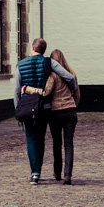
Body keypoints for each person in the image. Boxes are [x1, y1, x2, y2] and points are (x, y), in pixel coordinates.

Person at [14, 37, 77, 185]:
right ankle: (40, 171)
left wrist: (18, 110)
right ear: (43, 50)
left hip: (27, 107)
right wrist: (72, 91)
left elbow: (17, 90)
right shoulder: (49, 62)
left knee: (31, 139)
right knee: (41, 138)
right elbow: (69, 76)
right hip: (43, 107)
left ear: (32, 48)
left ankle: (34, 174)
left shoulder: (21, 65)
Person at [43, 49, 80, 185]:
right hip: (70, 111)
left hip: (56, 112)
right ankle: (68, 175)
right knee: (69, 143)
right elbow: (77, 95)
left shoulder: (52, 76)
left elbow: (46, 92)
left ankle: (57, 172)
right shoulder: (72, 74)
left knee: (57, 143)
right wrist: (72, 105)